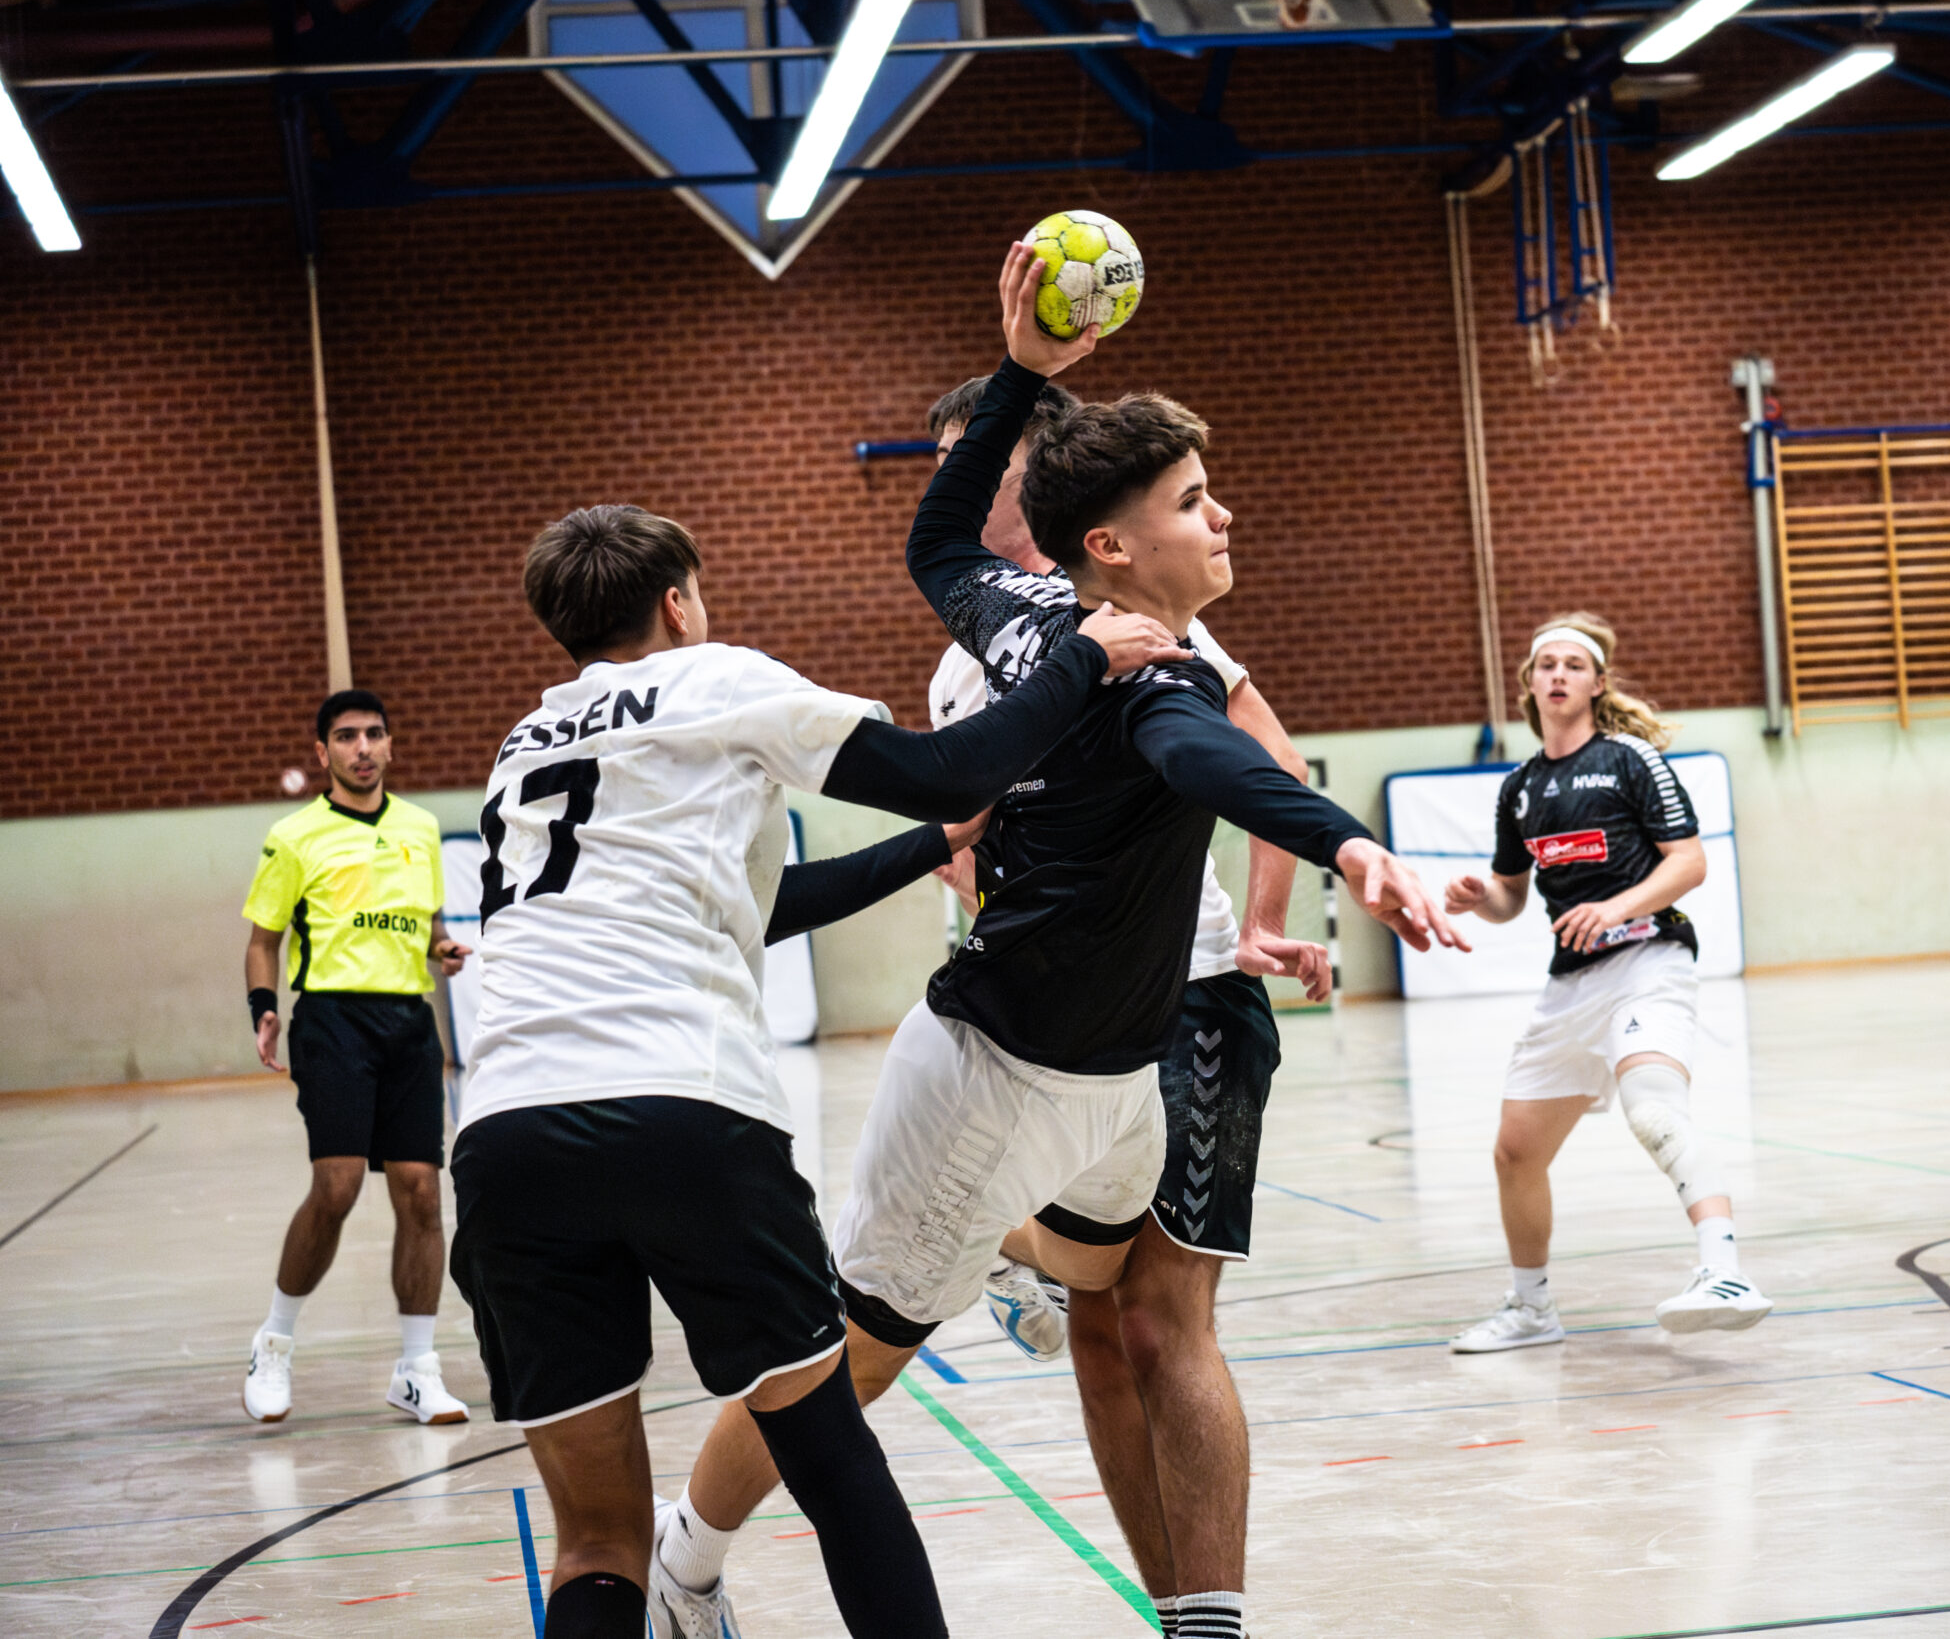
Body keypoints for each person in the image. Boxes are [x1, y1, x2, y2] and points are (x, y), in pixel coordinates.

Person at [653, 245, 1461, 1639]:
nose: (1224, 514)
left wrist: (1027, 364)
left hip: (1123, 1065)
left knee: (1116, 1282)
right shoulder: (1131, 676)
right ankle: (685, 1559)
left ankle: (1012, 1260)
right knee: (854, 1362)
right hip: (1003, 1061)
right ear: (1113, 546)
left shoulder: (1045, 615)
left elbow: (947, 557)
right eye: (1194, 500)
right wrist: (1352, 846)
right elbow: (1205, 760)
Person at [449, 501, 1183, 1639]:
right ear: (677, 602)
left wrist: (935, 846)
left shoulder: (525, 744)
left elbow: (754, 904)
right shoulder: (716, 676)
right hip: (681, 1108)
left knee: (594, 1542)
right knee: (835, 1464)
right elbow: (945, 768)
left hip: (506, 1135)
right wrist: (1083, 656)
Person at [925, 369, 1333, 1635]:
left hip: (1189, 993)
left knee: (1161, 1320)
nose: (960, 484)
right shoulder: (965, 662)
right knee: (1098, 1333)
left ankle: (1212, 1618)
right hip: (1054, 1022)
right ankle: (1174, 1610)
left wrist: (1264, 916)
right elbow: (964, 836)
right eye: (947, 465)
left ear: (1047, 482)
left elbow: (1268, 759)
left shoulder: (1149, 622)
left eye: (983, 461)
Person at [1441, 613, 1773, 1353]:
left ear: (1596, 683)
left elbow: (1688, 861)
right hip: (1571, 985)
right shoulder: (1520, 788)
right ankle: (1532, 1310)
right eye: (1546, 664)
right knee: (1515, 1152)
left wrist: (1616, 907)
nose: (1558, 674)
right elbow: (1511, 895)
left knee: (1654, 1108)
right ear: (1529, 684)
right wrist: (1479, 898)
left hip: (1649, 959)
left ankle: (1724, 1272)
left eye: (1573, 664)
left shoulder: (1629, 759)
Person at [239, 689, 472, 1427]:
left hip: (408, 1023)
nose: (362, 747)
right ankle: (274, 1342)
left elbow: (425, 921)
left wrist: (441, 945)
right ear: (323, 752)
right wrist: (263, 1005)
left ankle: (417, 1369)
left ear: (391, 744)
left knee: (422, 1194)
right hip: (333, 1020)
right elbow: (263, 939)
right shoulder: (293, 836)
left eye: (374, 733)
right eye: (346, 736)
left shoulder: (420, 827)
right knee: (336, 1187)